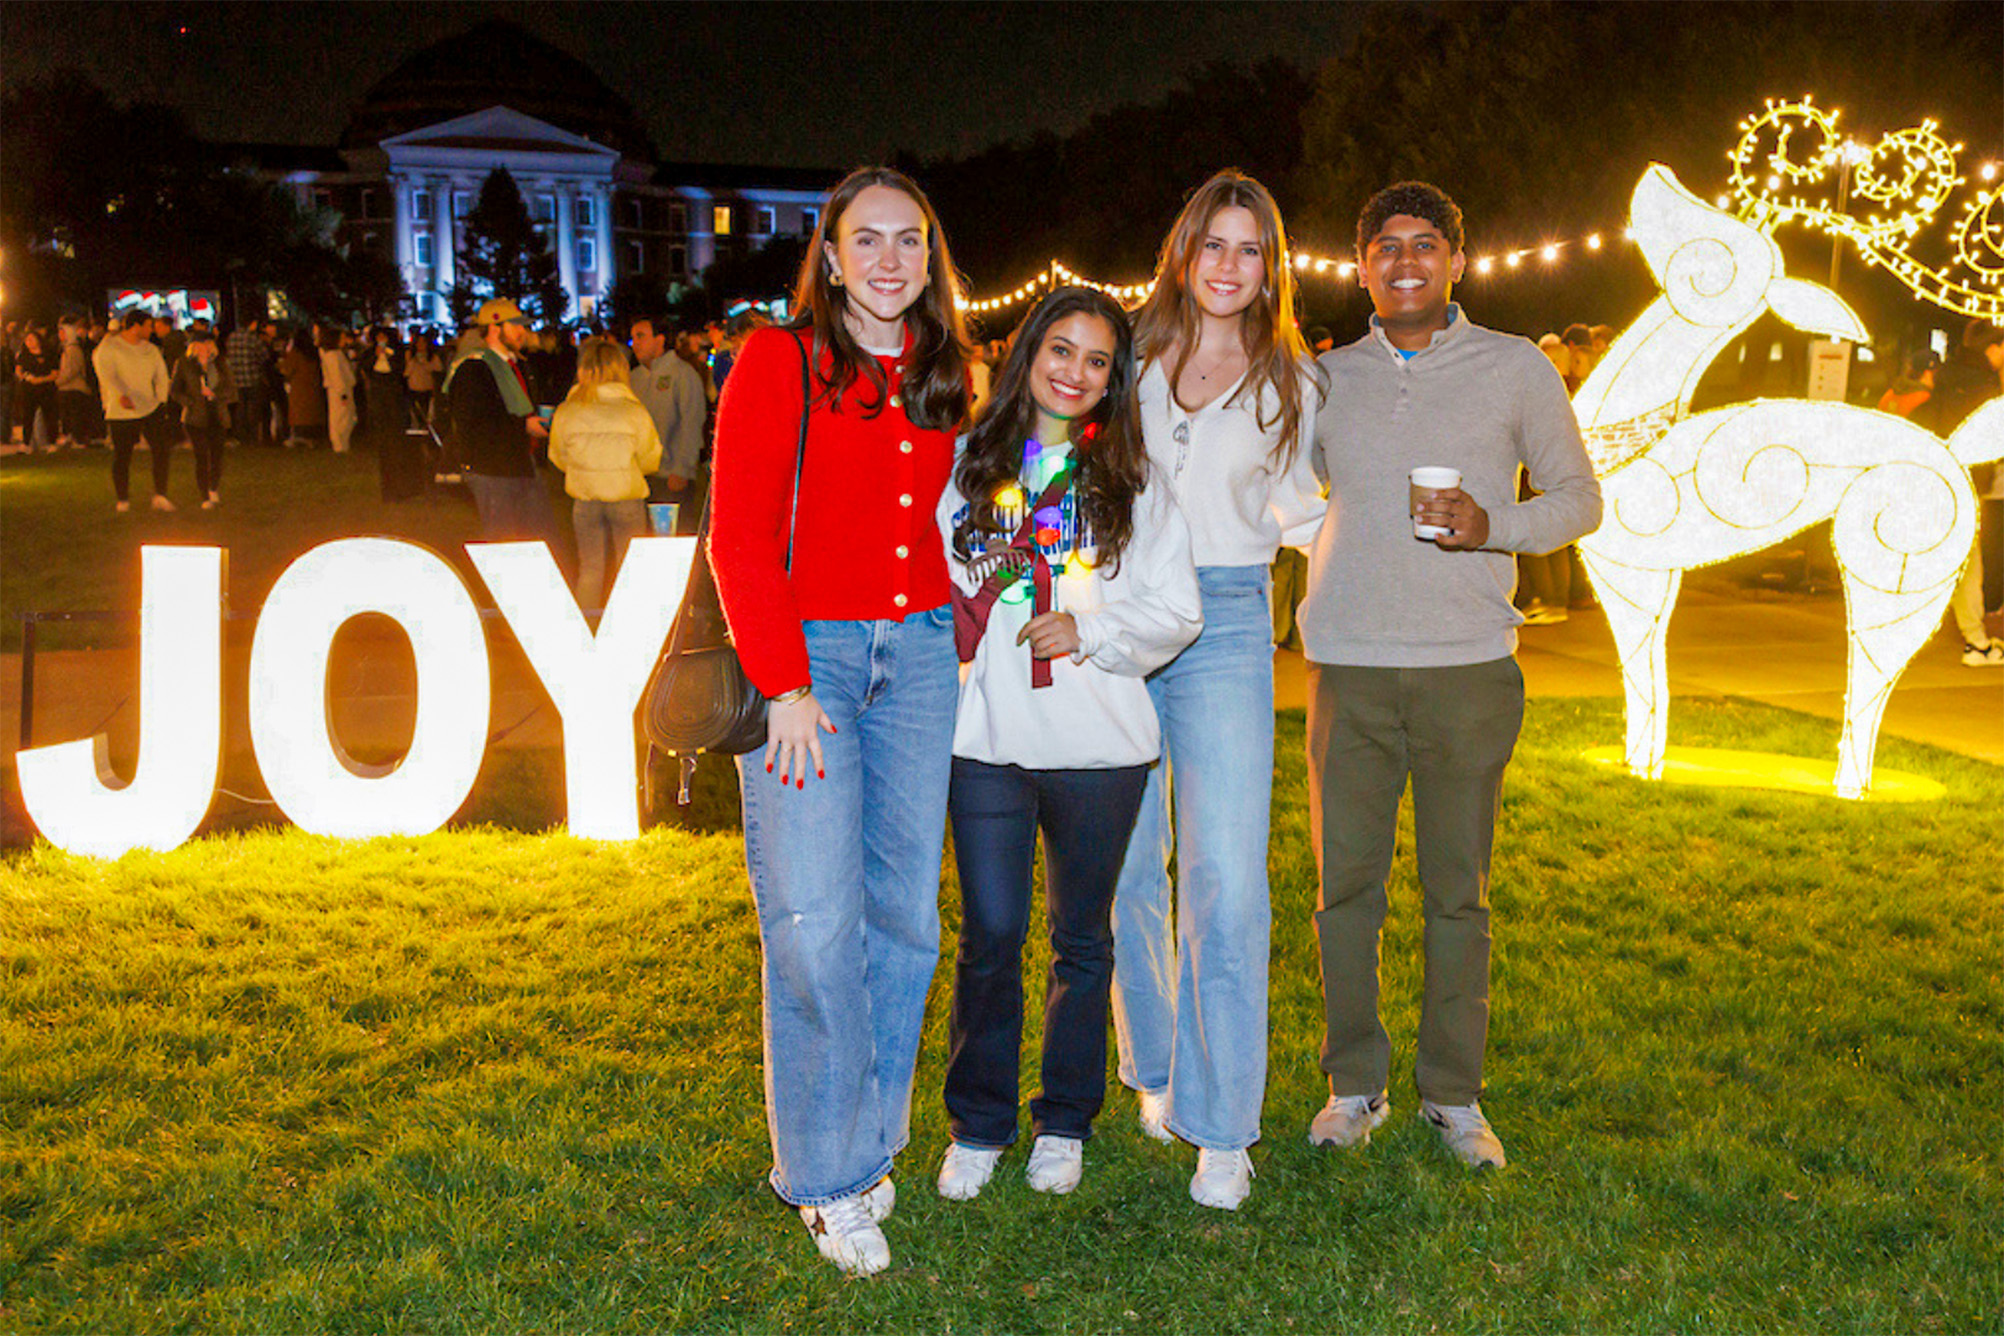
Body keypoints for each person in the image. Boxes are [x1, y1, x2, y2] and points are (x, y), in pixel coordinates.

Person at [1300, 181, 1601, 1169]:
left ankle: (1453, 1095)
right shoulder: (1322, 377)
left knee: (1456, 892)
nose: (1404, 261)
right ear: (1362, 267)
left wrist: (1493, 526)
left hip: (1468, 667)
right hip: (1347, 663)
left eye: (1424, 244)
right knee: (1346, 887)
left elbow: (1577, 499)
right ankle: (1354, 1083)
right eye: (1384, 246)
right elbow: (1269, 494)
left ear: (1457, 261)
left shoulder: (1516, 368)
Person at [708, 166, 970, 1277]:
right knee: (813, 921)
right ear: (828, 253)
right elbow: (739, 535)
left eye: (908, 241)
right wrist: (782, 682)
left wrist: (975, 611)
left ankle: (868, 1150)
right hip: (809, 662)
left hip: (915, 661)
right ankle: (822, 1175)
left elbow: (982, 513)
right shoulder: (782, 359)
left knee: (905, 919)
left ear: (929, 255)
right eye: (867, 240)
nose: (889, 260)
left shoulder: (954, 373)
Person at [933, 286, 1202, 1202]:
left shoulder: (1136, 481)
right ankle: (978, 1123)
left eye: (1097, 359)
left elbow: (1178, 611)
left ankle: (1065, 1119)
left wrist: (1088, 632)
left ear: (1114, 376)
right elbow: (939, 585)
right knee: (992, 931)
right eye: (1060, 349)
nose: (1075, 372)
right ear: (1028, 354)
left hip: (1101, 747)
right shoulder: (969, 464)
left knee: (1081, 938)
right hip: (990, 740)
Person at [1110, 168, 1326, 1211]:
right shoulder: (1131, 361)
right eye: (1215, 245)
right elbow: (1055, 462)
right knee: (1121, 863)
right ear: (1184, 251)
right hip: (1118, 617)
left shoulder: (1294, 380)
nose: (1231, 266)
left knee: (1228, 877)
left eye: (1251, 249)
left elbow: (1309, 513)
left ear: (1268, 265)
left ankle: (1223, 1120)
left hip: (1231, 619)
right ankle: (1154, 1066)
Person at [547, 337, 661, 610]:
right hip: (626, 497)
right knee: (629, 569)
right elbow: (651, 457)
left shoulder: (567, 410)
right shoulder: (634, 410)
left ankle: (586, 627)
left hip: (585, 499)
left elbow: (557, 455)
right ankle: (631, 625)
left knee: (590, 569)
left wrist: (582, 472)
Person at [444, 298, 556, 543]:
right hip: (492, 470)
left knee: (536, 539)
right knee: (504, 542)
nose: (522, 332)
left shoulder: (517, 365)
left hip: (521, 463)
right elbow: (473, 422)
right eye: (514, 325)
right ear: (494, 328)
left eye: (522, 326)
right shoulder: (473, 368)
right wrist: (524, 426)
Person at [1932, 319, 2004, 666]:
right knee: (1967, 565)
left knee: (1953, 561)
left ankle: (1976, 640)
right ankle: (1976, 644)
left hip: (1937, 476)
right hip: (1967, 482)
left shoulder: (1944, 379)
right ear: (1994, 349)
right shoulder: (1986, 388)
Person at [625, 314, 706, 529]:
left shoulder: (683, 374)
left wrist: (682, 468)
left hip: (669, 476)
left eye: (641, 336)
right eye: (633, 338)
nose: (635, 344)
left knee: (670, 541)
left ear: (660, 340)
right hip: (638, 478)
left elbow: (692, 423)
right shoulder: (633, 377)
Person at [93, 309, 176, 511]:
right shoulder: (109, 347)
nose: (152, 330)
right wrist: (121, 394)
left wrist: (161, 400)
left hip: (150, 407)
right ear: (136, 326)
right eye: (149, 326)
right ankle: (123, 499)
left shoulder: (151, 350)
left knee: (161, 450)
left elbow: (161, 376)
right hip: (122, 411)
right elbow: (106, 374)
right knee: (123, 455)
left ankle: (160, 495)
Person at [169, 323, 238, 509]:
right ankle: (204, 495)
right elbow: (175, 391)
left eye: (208, 344)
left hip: (217, 415)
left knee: (216, 455)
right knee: (201, 456)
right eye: (201, 344)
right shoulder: (184, 364)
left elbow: (232, 390)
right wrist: (190, 401)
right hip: (195, 418)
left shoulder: (221, 364)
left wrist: (215, 395)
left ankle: (213, 488)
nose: (205, 348)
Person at [13, 327, 60, 452]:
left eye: (32, 339)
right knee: (28, 416)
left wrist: (41, 380)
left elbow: (55, 373)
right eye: (27, 340)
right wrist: (27, 377)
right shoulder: (24, 355)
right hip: (29, 390)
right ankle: (26, 443)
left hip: (47, 389)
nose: (29, 342)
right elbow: (18, 370)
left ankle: (52, 442)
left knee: (49, 416)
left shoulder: (49, 354)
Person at [282, 329, 325, 447]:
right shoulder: (313, 353)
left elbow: (287, 370)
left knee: (299, 412)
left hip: (298, 387)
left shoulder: (295, 354)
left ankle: (299, 436)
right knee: (311, 411)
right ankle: (312, 436)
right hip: (313, 387)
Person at [56, 321, 93, 448]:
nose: (60, 335)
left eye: (62, 332)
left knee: (75, 415)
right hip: (67, 388)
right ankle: (71, 437)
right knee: (69, 415)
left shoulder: (72, 350)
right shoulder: (68, 348)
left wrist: (57, 381)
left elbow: (71, 371)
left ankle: (78, 438)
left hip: (73, 388)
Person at [322, 328, 358, 453]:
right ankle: (339, 445)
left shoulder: (337, 354)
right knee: (340, 417)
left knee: (346, 417)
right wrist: (342, 393)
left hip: (343, 389)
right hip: (339, 391)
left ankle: (343, 444)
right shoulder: (332, 355)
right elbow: (336, 375)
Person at [404, 332, 444, 430]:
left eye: (423, 342)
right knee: (415, 413)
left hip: (427, 389)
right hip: (413, 388)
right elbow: (406, 373)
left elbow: (439, 370)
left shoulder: (433, 357)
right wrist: (414, 362)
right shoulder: (409, 355)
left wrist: (426, 364)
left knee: (427, 415)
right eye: (418, 342)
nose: (420, 345)